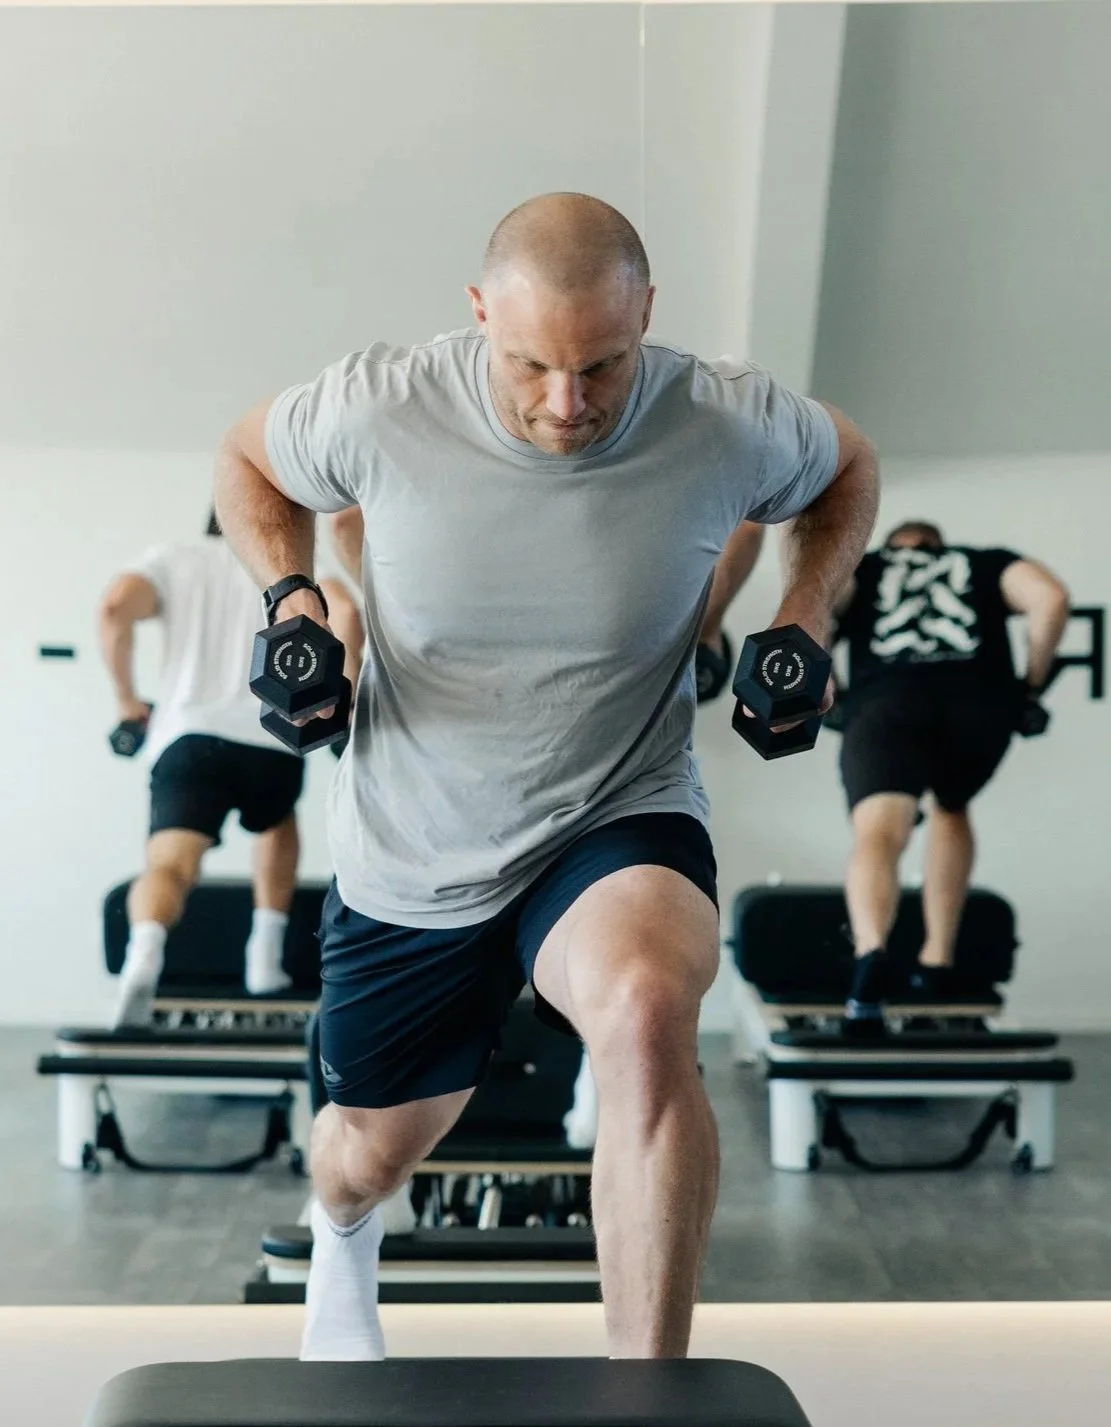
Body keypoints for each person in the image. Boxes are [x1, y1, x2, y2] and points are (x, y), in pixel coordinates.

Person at [215, 192, 878, 1361]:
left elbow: (846, 464)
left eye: (602, 366)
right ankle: (344, 1234)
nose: (567, 402)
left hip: (616, 804)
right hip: (416, 839)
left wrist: (805, 612)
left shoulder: (723, 417)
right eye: (531, 365)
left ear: (646, 315)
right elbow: (246, 457)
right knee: (364, 1151)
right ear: (480, 314)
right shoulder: (381, 403)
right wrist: (290, 596)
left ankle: (647, 1407)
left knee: (646, 1010)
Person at [99, 508, 363, 1027]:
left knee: (170, 866)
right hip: (271, 738)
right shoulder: (297, 576)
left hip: (189, 737)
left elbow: (114, 608)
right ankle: (264, 959)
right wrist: (344, 703)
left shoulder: (176, 559)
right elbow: (348, 615)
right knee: (276, 827)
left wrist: (126, 701)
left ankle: (145, 952)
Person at [835, 519, 1071, 1030]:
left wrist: (828, 688)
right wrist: (1029, 688)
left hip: (887, 705)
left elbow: (819, 608)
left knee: (879, 831)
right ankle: (936, 961)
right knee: (951, 806)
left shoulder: (866, 567)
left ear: (892, 544)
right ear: (939, 543)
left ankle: (871, 952)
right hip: (978, 709)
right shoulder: (985, 561)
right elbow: (1051, 598)